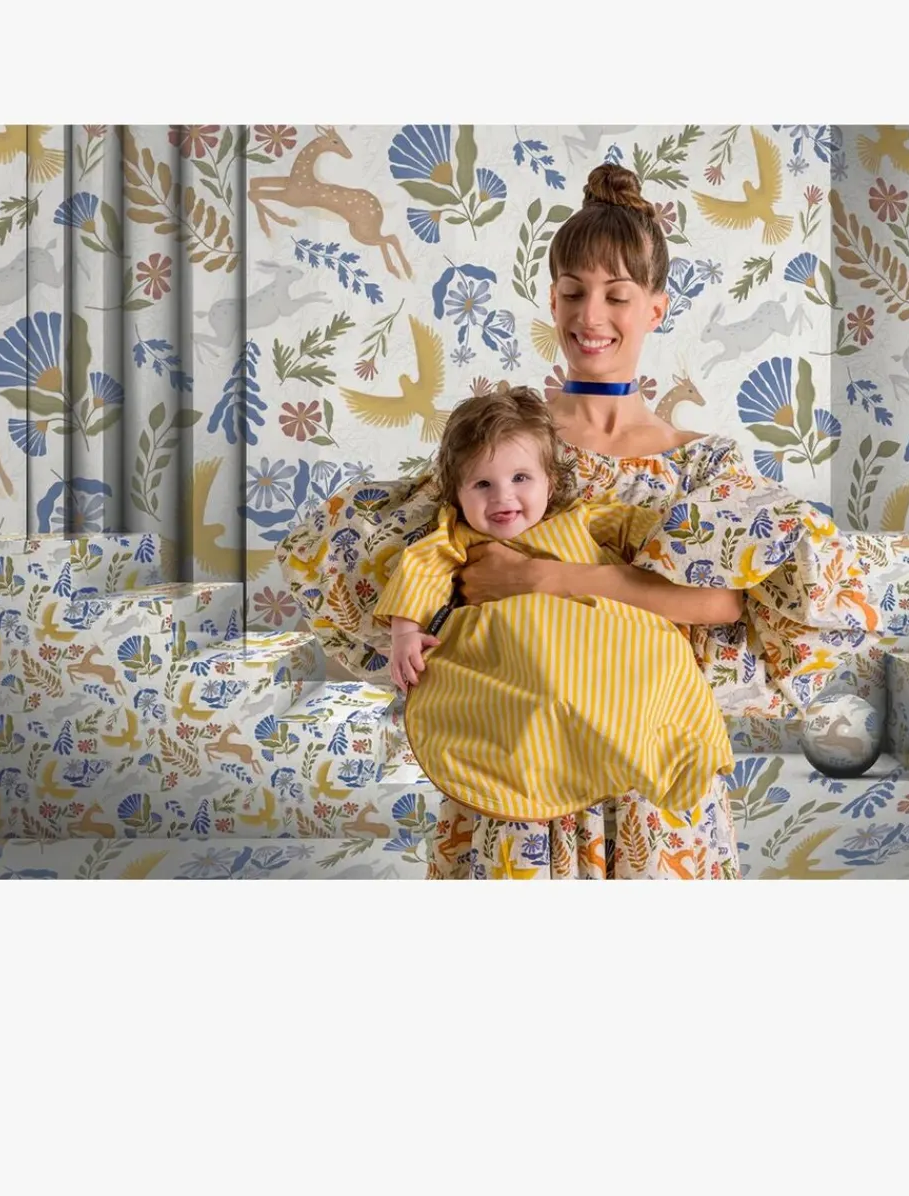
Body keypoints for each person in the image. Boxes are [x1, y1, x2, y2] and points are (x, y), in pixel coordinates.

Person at [279, 161, 850, 879]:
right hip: (514, 753)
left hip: (650, 759)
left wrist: (541, 577)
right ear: (552, 299)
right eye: (573, 292)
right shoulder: (508, 443)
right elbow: (444, 559)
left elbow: (719, 602)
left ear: (655, 308)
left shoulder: (700, 464)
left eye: (617, 295)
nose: (590, 315)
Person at [375, 385, 734, 820]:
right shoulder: (458, 537)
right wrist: (406, 633)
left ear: (551, 480)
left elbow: (647, 533)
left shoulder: (580, 518)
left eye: (520, 478)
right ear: (457, 494)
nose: (503, 497)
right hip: (520, 666)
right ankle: (527, 778)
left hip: (607, 654)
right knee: (538, 700)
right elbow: (420, 570)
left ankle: (686, 754)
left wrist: (672, 541)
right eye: (482, 484)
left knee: (666, 655)